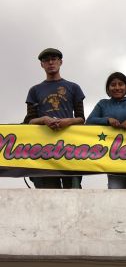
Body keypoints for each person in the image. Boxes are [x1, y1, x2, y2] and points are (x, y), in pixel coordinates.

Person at [25, 48, 85, 189]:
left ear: (60, 62)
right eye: (46, 60)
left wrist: (67, 121)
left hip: (70, 149)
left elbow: (81, 118)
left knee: (73, 192)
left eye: (54, 59)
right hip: (44, 150)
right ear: (42, 65)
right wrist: (44, 119)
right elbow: (29, 121)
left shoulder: (74, 87)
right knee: (49, 194)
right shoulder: (34, 90)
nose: (50, 62)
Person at [86, 72, 126, 189]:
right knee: (115, 190)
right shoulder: (103, 104)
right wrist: (107, 120)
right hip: (112, 157)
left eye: (121, 84)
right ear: (108, 88)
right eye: (113, 85)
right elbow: (89, 121)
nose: (117, 87)